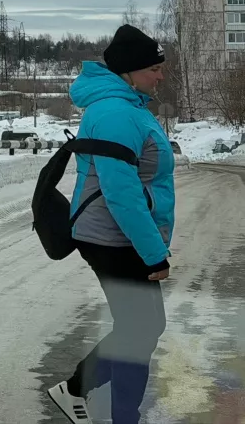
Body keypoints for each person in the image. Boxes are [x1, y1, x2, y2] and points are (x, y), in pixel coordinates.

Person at [48, 24, 175, 424]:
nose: (160, 75)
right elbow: (122, 194)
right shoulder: (116, 113)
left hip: (118, 236)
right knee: (139, 331)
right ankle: (121, 416)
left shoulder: (126, 107)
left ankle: (75, 389)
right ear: (130, 71)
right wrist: (154, 254)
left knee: (144, 327)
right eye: (154, 68)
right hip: (113, 238)